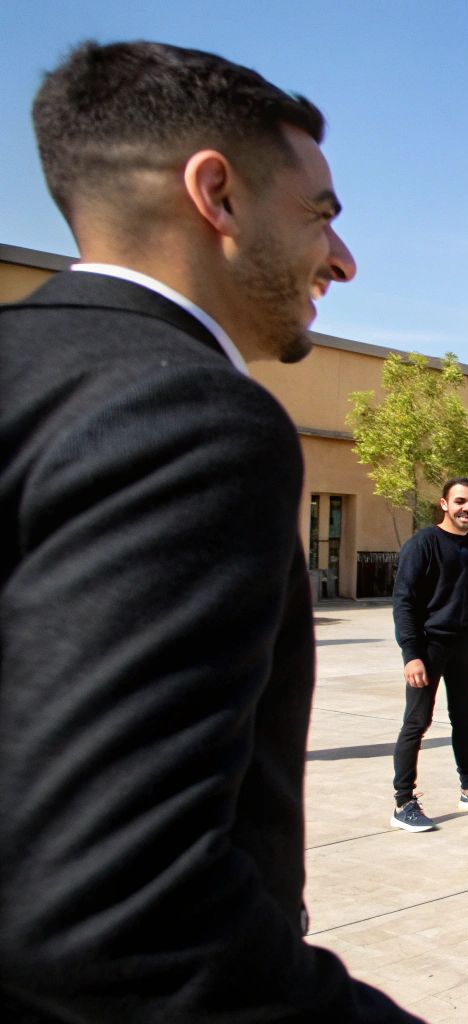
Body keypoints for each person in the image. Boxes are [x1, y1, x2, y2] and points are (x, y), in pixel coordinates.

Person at [0, 40, 415, 1019]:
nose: (343, 260)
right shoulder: (191, 419)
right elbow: (116, 906)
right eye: (319, 216)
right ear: (217, 195)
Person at [391, 478, 468, 831]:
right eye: (460, 501)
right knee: (416, 723)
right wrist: (411, 654)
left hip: (463, 645)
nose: (467, 508)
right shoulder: (423, 544)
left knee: (465, 718)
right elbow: (404, 602)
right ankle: (403, 803)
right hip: (429, 646)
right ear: (444, 504)